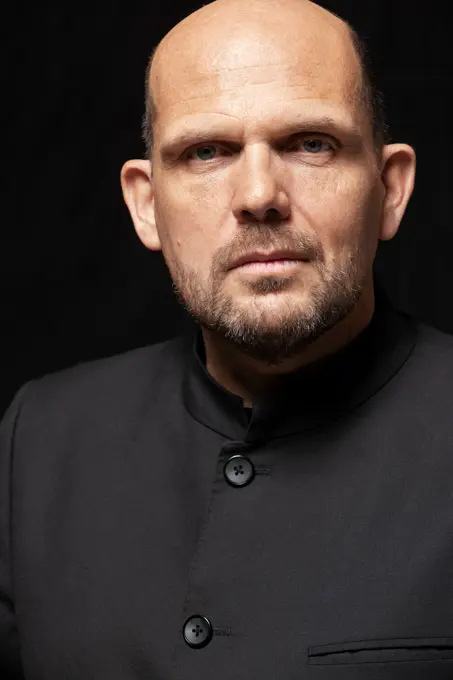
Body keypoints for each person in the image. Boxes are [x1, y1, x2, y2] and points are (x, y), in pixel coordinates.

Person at [2, 0, 453, 677]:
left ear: (389, 190)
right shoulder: (38, 438)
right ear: (146, 204)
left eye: (310, 144)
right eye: (206, 152)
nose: (259, 194)